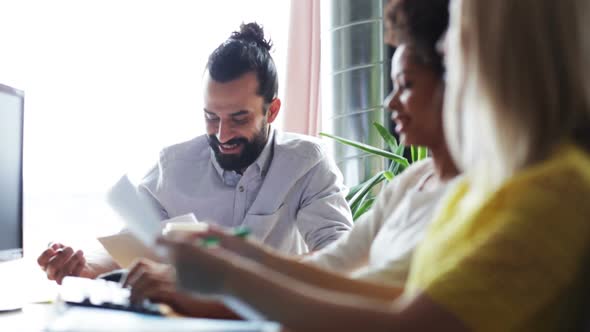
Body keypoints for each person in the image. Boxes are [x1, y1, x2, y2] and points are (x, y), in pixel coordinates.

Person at [162, 0, 590, 330]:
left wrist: (230, 281)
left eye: (456, 39)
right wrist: (237, 254)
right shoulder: (477, 188)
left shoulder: (555, 191)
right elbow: (381, 294)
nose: (443, 47)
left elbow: (406, 322)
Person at [122, 0, 457, 317]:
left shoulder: (477, 196)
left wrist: (220, 288)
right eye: (212, 117)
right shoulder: (408, 185)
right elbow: (333, 265)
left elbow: (381, 304)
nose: (389, 104)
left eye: (406, 85)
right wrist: (231, 255)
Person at [37, 22, 353, 285]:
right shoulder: (172, 166)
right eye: (211, 117)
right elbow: (131, 245)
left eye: (239, 119)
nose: (222, 134)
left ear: (271, 111)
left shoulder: (307, 163)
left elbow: (342, 257)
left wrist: (242, 276)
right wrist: (82, 267)